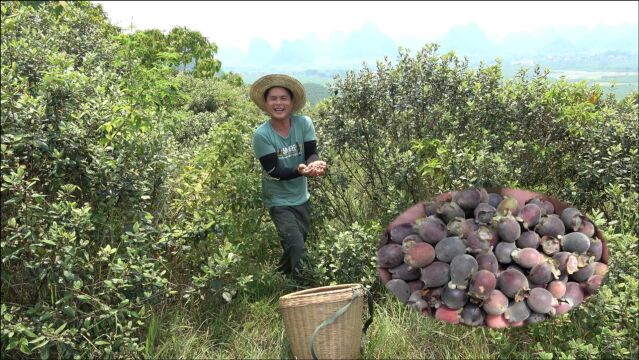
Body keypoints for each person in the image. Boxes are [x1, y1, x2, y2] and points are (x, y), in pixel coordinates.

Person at [249, 74, 327, 283]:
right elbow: (273, 169)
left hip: (301, 196)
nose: (278, 103)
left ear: (292, 102)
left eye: (283, 98)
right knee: (296, 245)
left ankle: (278, 277)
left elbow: (311, 152)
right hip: (279, 200)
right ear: (266, 104)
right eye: (273, 98)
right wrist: (300, 171)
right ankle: (305, 286)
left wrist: (313, 164)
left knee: (296, 241)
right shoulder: (262, 135)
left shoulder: (304, 123)